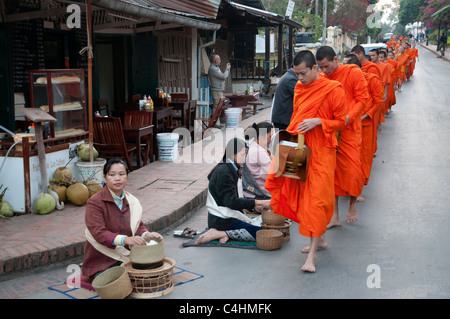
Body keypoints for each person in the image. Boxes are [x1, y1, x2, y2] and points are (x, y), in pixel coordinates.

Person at [265, 50, 347, 273]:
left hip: (322, 152)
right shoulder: (299, 88)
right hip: (300, 147)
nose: (300, 79)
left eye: (303, 73)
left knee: (317, 200)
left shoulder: (333, 89)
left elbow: (341, 121)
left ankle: (311, 257)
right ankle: (319, 240)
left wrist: (318, 122)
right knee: (300, 196)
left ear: (315, 69)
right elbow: (297, 118)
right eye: (297, 74)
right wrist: (284, 142)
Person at [81, 159, 163, 285]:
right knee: (120, 282)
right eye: (112, 175)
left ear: (127, 177)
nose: (117, 178)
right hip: (102, 259)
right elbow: (99, 233)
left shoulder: (131, 201)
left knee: (154, 272)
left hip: (127, 255)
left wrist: (147, 234)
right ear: (105, 177)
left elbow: (137, 226)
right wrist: (125, 240)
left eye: (121, 174)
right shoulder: (95, 202)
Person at [315, 46, 368, 226]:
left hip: (350, 129)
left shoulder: (353, 73)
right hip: (330, 131)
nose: (324, 71)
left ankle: (352, 203)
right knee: (332, 175)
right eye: (320, 67)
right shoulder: (322, 78)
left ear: (336, 59)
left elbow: (363, 100)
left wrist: (348, 117)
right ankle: (335, 216)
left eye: (326, 66)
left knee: (353, 172)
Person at [195, 138, 272, 245]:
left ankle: (225, 233)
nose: (245, 158)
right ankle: (219, 233)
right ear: (233, 155)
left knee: (262, 225)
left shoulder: (230, 167)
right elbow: (231, 202)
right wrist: (258, 202)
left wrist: (254, 206)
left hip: (226, 216)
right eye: (242, 155)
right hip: (221, 220)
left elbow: (234, 198)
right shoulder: (224, 172)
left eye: (245, 154)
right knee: (261, 232)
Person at [344, 55, 383, 195]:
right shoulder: (343, 79)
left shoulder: (371, 79)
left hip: (364, 124)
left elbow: (378, 102)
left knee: (362, 156)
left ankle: (357, 188)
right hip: (347, 125)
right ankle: (347, 186)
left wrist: (364, 117)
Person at [242, 122, 273, 199]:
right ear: (262, 136)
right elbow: (272, 174)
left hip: (250, 191)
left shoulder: (254, 145)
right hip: (258, 193)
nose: (271, 139)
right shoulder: (259, 151)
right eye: (270, 136)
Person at [270, 58, 303, 130]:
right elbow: (302, 97)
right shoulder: (291, 79)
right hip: (283, 121)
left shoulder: (289, 76)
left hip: (281, 119)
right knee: (285, 141)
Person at [208, 53, 231, 125]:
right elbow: (223, 76)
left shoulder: (216, 67)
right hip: (216, 90)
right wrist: (227, 69)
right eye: (219, 59)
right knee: (217, 107)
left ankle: (216, 122)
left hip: (219, 90)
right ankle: (215, 123)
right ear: (215, 61)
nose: (220, 61)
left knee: (219, 107)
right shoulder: (213, 69)